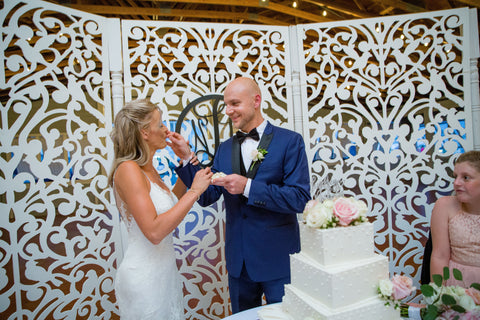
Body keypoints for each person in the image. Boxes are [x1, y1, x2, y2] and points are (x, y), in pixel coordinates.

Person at [169, 77, 311, 313]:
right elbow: (207, 195)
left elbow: (299, 198)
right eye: (226, 105)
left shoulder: (290, 142)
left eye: (234, 103)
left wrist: (248, 187)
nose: (228, 111)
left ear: (256, 101)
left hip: (278, 260)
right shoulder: (225, 148)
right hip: (238, 264)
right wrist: (187, 157)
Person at [108, 99, 213, 320]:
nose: (166, 130)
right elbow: (154, 232)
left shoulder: (146, 169)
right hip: (144, 277)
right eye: (161, 124)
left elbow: (171, 202)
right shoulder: (128, 170)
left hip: (163, 271)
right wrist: (195, 192)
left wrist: (186, 160)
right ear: (144, 132)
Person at [430, 150, 480, 287]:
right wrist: (437, 297)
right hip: (456, 286)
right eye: (455, 176)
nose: (456, 182)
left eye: (466, 177)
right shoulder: (444, 206)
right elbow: (439, 256)